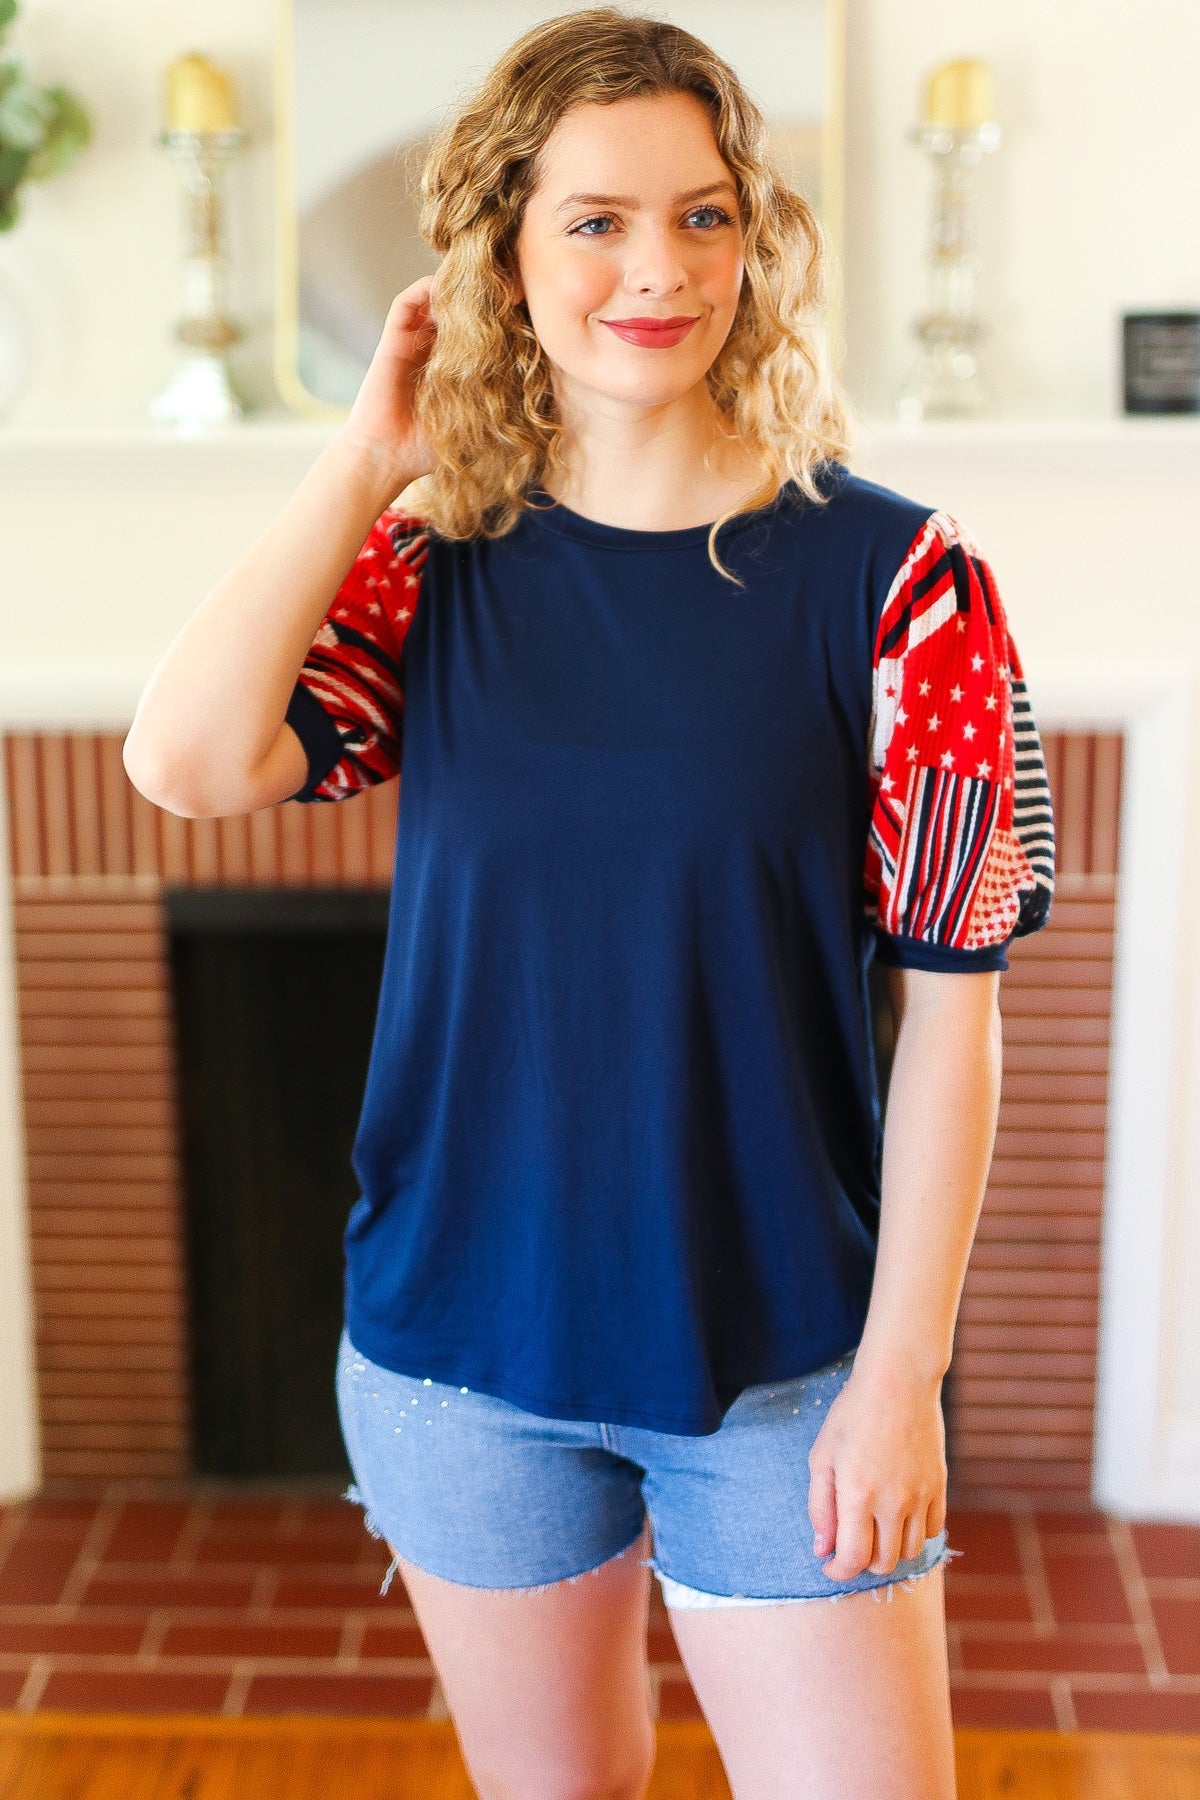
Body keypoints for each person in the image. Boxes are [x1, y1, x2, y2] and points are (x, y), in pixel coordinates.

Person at [123, 9, 1056, 1797]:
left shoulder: (906, 584)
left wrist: (898, 1382)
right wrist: (362, 462)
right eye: (598, 222)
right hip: (461, 1358)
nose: (659, 270)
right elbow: (186, 758)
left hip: (789, 1363)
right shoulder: (431, 563)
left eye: (704, 217)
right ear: (504, 256)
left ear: (753, 241)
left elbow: (959, 1009)